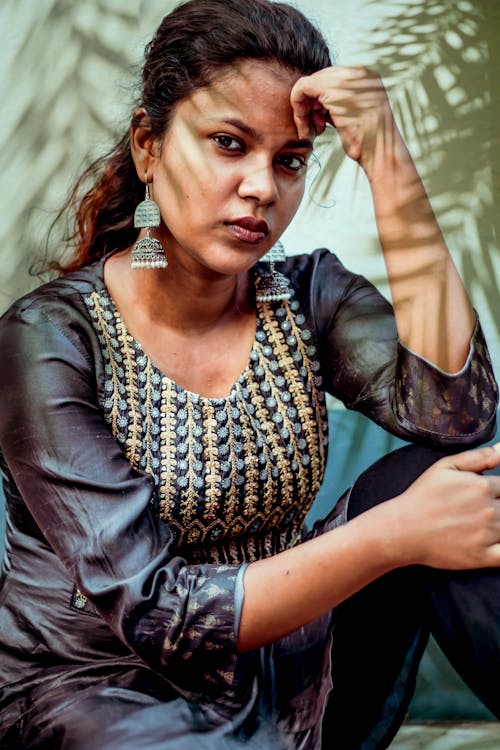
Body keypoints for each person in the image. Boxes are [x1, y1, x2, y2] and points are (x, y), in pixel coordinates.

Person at [0, 0, 499, 748]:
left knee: (453, 473)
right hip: (104, 692)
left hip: (295, 670)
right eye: (229, 144)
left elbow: (459, 417)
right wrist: (392, 534)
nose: (263, 187)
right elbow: (158, 613)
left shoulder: (308, 297)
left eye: (289, 161)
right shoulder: (47, 338)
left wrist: (387, 159)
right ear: (148, 147)